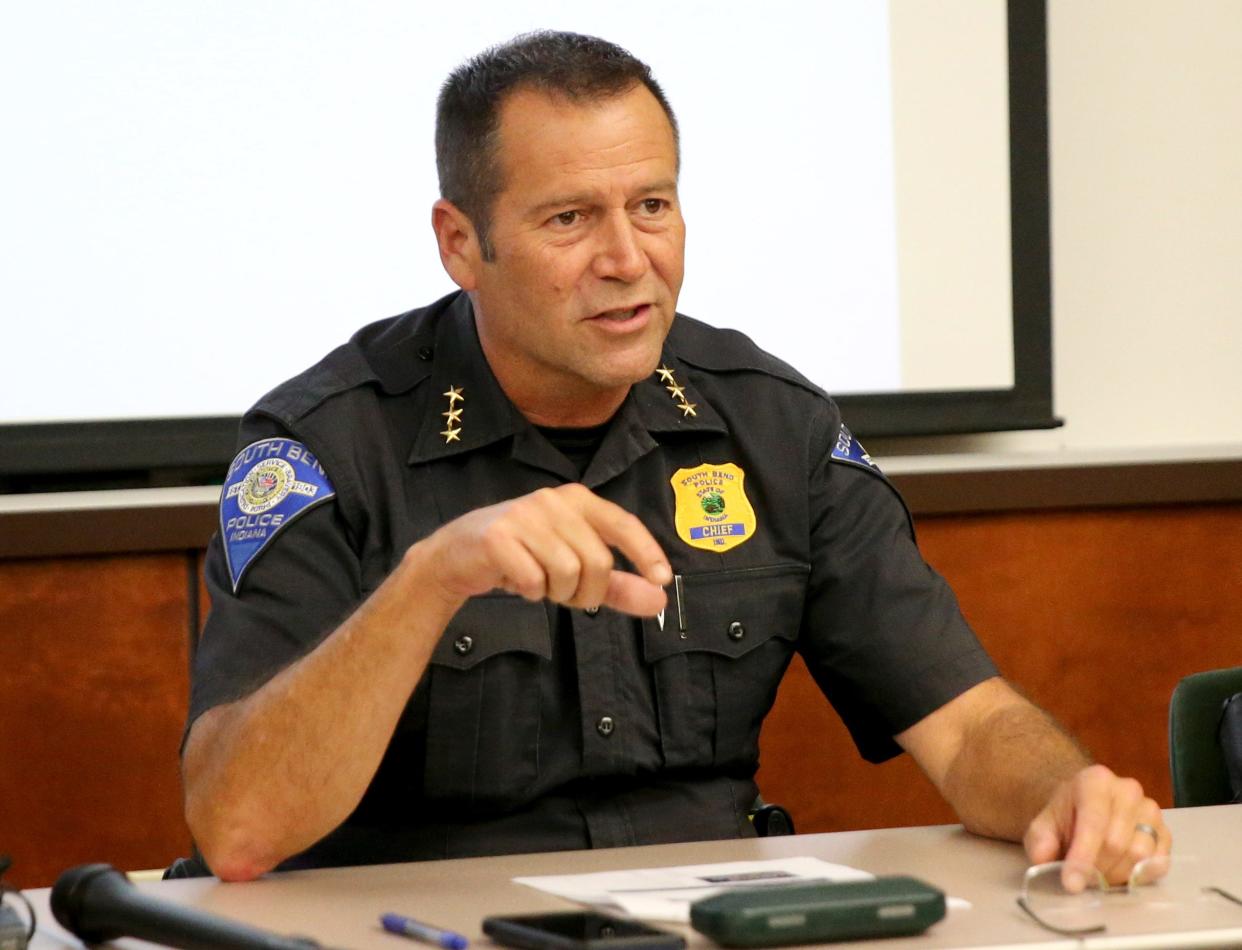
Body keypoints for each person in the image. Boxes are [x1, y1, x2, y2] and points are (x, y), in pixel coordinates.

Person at [182, 30, 1170, 887]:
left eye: (651, 205)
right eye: (569, 218)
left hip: (706, 920)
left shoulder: (769, 422)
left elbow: (964, 726)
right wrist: (433, 578)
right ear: (459, 242)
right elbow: (238, 824)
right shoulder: (328, 444)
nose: (627, 257)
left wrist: (1064, 791)